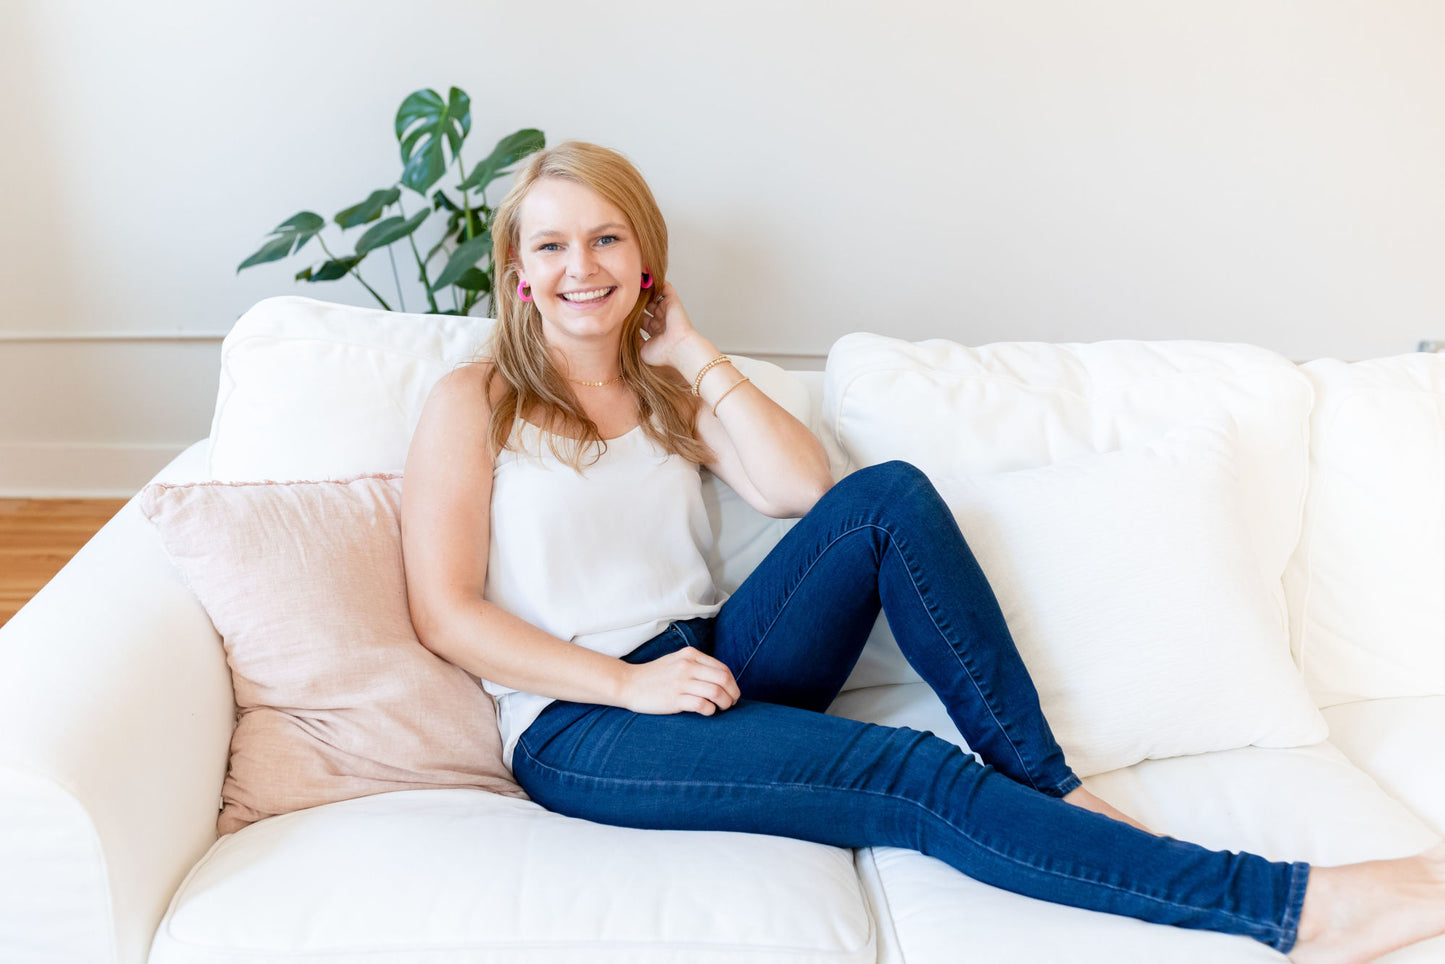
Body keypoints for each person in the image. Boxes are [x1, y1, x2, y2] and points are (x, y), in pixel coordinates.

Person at [399, 140, 1445, 963]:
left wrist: (688, 348)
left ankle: (1045, 786)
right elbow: (445, 613)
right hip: (587, 722)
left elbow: (804, 491)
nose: (581, 266)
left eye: (605, 239)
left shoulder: (666, 388)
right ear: (518, 273)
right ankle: (1293, 908)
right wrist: (628, 688)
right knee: (909, 772)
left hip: (708, 663)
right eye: (551, 246)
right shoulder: (475, 399)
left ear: (644, 260)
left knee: (884, 497)